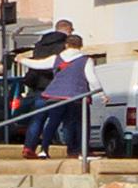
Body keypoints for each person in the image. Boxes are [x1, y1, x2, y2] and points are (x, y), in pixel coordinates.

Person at [26, 26, 93, 160]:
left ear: (67, 44)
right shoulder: (85, 60)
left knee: (49, 122)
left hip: (51, 93)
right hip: (75, 95)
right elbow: (92, 78)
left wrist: (21, 60)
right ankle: (76, 150)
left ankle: (40, 149)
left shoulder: (46, 49)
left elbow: (38, 64)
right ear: (81, 45)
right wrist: (102, 94)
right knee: (75, 123)